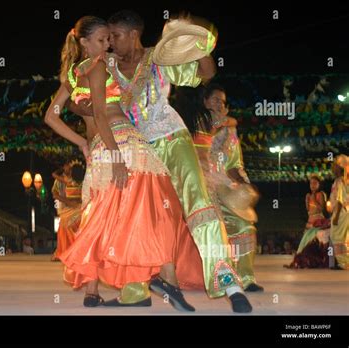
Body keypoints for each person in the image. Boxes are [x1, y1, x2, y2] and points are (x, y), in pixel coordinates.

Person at [67, 11, 252, 312]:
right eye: (107, 37)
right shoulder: (107, 64)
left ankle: (229, 282)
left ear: (134, 34)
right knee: (138, 216)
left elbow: (205, 74)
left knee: (200, 206)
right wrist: (82, 106)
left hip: (173, 140)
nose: (110, 42)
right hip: (138, 149)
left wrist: (200, 43)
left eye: (115, 35)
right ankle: (136, 292)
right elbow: (77, 96)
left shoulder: (160, 57)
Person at [46, 15, 196, 311]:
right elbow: (101, 114)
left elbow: (51, 116)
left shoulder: (73, 75)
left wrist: (82, 142)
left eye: (109, 39)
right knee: (152, 207)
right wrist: (115, 158)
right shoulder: (100, 65)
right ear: (84, 42)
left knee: (104, 212)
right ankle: (166, 279)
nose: (108, 45)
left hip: (102, 147)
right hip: (121, 144)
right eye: (102, 40)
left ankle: (95, 291)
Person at [176, 83, 263, 291]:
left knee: (244, 226)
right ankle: (206, 277)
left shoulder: (229, 129)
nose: (219, 104)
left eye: (222, 102)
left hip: (223, 185)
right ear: (204, 101)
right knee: (207, 230)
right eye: (215, 99)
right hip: (197, 186)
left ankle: (246, 278)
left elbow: (233, 163)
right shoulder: (192, 122)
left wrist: (244, 186)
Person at [51, 161, 83, 261]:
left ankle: (69, 252)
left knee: (65, 225)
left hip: (74, 209)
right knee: (64, 224)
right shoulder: (78, 182)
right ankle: (71, 252)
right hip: (76, 209)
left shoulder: (69, 182)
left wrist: (60, 198)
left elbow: (54, 174)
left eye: (71, 169)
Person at [329, 155, 349, 270]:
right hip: (345, 212)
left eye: (335, 166)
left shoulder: (340, 181)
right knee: (345, 238)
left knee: (337, 238)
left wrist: (335, 216)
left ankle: (343, 263)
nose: (333, 168)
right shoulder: (344, 181)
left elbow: (340, 200)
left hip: (341, 213)